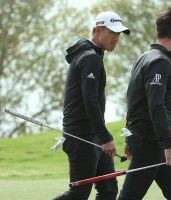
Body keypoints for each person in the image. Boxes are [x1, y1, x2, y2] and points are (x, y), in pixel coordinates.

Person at [53, 11, 130, 200]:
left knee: (108, 189)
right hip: (81, 135)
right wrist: (105, 137)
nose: (117, 38)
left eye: (119, 34)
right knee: (79, 193)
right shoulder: (90, 58)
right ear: (98, 30)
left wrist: (101, 136)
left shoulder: (93, 55)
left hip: (92, 134)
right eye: (113, 33)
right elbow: (90, 101)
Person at [118, 7, 171, 200]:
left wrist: (128, 137)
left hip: (146, 140)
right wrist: (169, 145)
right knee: (129, 197)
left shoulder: (143, 58)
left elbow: (132, 100)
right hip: (151, 143)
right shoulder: (160, 61)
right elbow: (155, 105)